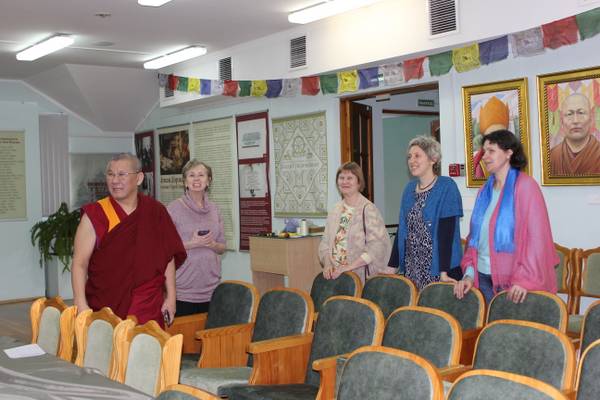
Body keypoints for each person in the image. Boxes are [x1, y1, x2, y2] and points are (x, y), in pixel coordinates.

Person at [71, 153, 186, 327]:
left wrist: (171, 297)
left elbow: (167, 256)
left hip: (148, 303)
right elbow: (79, 263)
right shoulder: (96, 214)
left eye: (122, 174)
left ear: (139, 178)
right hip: (106, 306)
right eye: (111, 174)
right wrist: (80, 303)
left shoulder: (155, 211)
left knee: (149, 344)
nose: (115, 180)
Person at [454, 130, 558, 304]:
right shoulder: (484, 192)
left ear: (509, 152)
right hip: (482, 278)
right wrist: (469, 275)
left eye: (491, 151)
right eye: (484, 151)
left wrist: (524, 280)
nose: (484, 156)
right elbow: (474, 239)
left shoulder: (526, 187)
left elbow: (537, 239)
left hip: (516, 283)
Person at [388, 136, 463, 290]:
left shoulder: (446, 186)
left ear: (433, 159)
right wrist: (392, 266)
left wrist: (444, 272)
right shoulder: (409, 189)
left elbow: (446, 233)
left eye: (417, 156)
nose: (411, 161)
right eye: (409, 157)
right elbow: (402, 231)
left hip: (438, 269)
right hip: (413, 268)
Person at [167, 160, 226, 316]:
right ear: (185, 182)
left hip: (211, 289)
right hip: (183, 291)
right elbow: (165, 247)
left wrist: (212, 244)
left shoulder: (215, 209)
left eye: (201, 175)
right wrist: (192, 244)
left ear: (209, 180)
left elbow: (222, 247)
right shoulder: (173, 209)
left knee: (211, 331)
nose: (196, 179)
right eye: (191, 175)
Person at [319, 162, 391, 283]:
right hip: (336, 277)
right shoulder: (335, 210)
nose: (345, 182)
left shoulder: (368, 209)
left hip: (360, 277)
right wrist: (327, 264)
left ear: (359, 182)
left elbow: (377, 246)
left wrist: (348, 267)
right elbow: (325, 243)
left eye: (349, 178)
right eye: (341, 178)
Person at [550, 93, 600, 176]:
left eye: (581, 113)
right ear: (561, 121)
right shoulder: (552, 156)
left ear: (591, 118)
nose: (575, 121)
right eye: (569, 114)